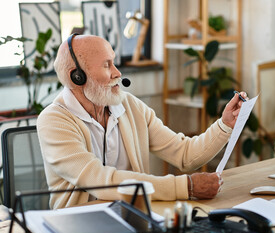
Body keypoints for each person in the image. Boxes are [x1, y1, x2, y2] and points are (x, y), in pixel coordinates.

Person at [37, 34, 248, 209]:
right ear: (77, 77)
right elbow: (100, 180)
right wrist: (185, 186)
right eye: (106, 65)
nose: (117, 73)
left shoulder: (130, 106)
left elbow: (185, 155)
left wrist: (224, 125)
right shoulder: (53, 120)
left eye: (114, 62)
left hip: (133, 215)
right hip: (78, 224)